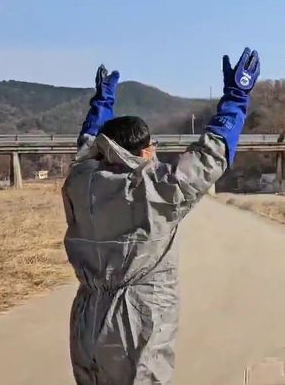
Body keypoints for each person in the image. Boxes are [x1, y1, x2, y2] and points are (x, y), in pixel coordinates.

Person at [61, 47, 260, 384]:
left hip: (87, 317)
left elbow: (89, 142)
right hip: (137, 317)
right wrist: (237, 97)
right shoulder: (155, 189)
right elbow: (212, 155)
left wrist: (102, 102)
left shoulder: (81, 180)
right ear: (143, 151)